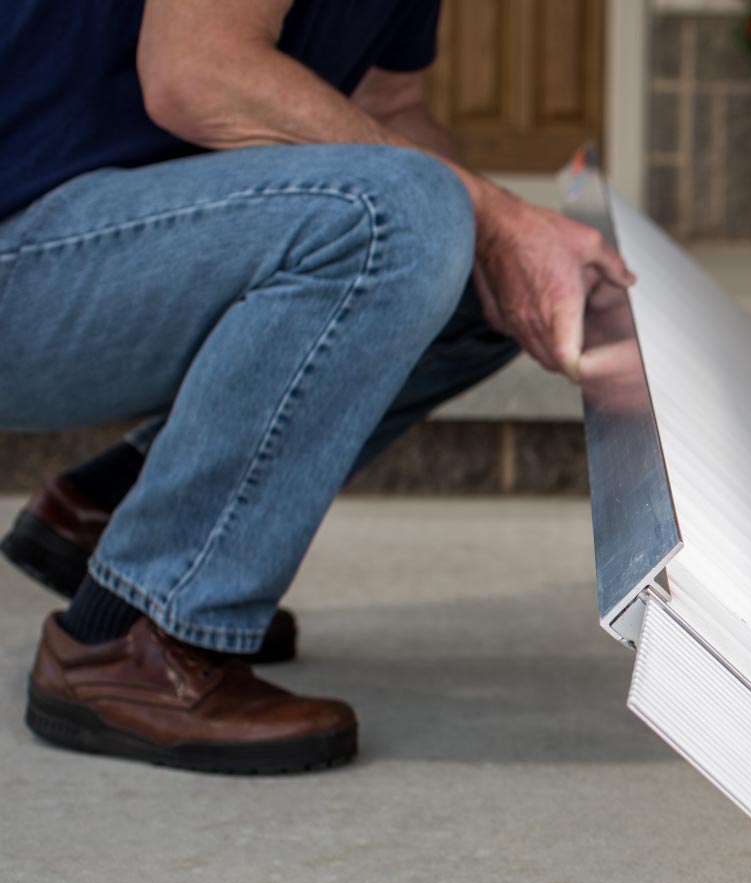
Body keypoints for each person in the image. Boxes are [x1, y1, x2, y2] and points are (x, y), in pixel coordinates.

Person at [0, 0, 633, 775]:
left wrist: (522, 240)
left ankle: (117, 521)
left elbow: (388, 112)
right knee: (406, 213)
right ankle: (127, 636)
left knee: (483, 281)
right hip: (20, 252)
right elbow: (196, 73)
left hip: (99, 239)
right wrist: (497, 219)